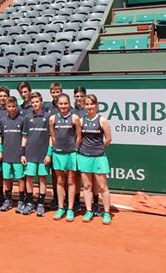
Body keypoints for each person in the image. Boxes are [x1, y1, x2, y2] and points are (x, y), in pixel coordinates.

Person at [78, 94, 113, 225]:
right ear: (84, 106)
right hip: (84, 156)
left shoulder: (102, 120)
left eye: (91, 104)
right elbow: (79, 138)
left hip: (99, 157)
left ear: (96, 105)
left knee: (102, 186)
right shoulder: (81, 121)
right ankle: (88, 211)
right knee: (87, 186)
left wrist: (99, 148)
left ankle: (107, 213)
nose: (89, 107)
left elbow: (109, 139)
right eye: (87, 104)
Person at [49, 93, 82, 222]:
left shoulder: (74, 118)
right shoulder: (52, 119)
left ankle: (70, 209)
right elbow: (53, 137)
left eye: (65, 104)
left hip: (71, 153)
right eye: (61, 104)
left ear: (69, 104)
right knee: (60, 180)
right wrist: (56, 148)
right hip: (58, 153)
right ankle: (61, 208)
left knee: (71, 181)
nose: (63, 106)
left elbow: (79, 136)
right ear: (57, 104)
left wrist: (74, 149)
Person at [20, 92, 52, 217]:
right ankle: (29, 203)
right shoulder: (27, 118)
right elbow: (24, 137)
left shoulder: (48, 117)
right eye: (32, 102)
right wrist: (23, 154)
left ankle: (40, 204)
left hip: (43, 154)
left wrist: (49, 154)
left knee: (42, 178)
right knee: (29, 178)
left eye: (36, 102)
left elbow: (51, 137)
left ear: (41, 102)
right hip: (29, 154)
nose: (34, 104)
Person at [0, 96, 26, 212]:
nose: (11, 108)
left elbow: (25, 137)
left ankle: (21, 200)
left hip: (18, 155)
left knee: (20, 178)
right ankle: (8, 200)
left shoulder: (22, 120)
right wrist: (0, 150)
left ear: (17, 107)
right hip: (6, 155)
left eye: (13, 106)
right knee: (7, 178)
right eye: (9, 106)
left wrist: (23, 153)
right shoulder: (2, 121)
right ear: (6, 107)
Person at [44, 82, 63, 210]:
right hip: (51, 145)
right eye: (53, 92)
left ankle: (66, 200)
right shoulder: (47, 108)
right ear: (50, 93)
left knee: (65, 175)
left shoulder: (66, 106)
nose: (55, 94)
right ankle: (56, 198)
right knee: (55, 175)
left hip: (65, 146)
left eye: (57, 92)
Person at [71, 86, 87, 212]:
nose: (79, 98)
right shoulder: (70, 111)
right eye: (77, 96)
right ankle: (75, 201)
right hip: (73, 148)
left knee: (88, 176)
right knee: (74, 176)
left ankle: (94, 203)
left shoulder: (89, 111)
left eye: (82, 96)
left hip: (86, 148)